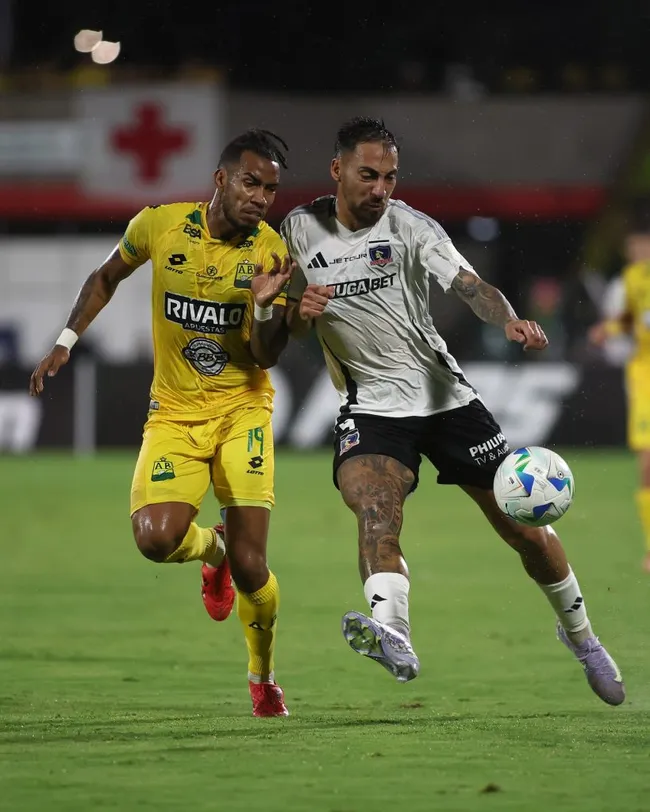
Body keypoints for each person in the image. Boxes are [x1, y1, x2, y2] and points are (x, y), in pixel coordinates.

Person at [266, 116, 624, 705]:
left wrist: (506, 317)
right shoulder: (298, 230)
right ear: (337, 171)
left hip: (445, 400)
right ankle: (394, 634)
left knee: (525, 531)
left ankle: (582, 637)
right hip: (372, 408)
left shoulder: (411, 227)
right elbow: (288, 329)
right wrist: (297, 313)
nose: (382, 189)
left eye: (391, 177)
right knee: (375, 511)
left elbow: (470, 286)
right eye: (369, 175)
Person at [29, 129, 293, 717]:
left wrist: (266, 303)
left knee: (256, 570)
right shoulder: (159, 224)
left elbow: (265, 353)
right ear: (221, 179)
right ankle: (211, 552)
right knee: (155, 539)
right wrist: (66, 342)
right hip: (173, 411)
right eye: (251, 183)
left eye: (271, 190)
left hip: (242, 408)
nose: (260, 198)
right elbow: (105, 277)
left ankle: (263, 675)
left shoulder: (271, 252)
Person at [589, 201, 650, 574]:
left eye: (644, 246)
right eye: (634, 248)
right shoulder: (632, 279)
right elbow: (628, 318)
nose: (638, 254)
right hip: (644, 376)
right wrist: (608, 329)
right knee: (647, 465)